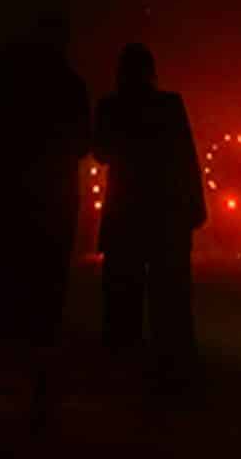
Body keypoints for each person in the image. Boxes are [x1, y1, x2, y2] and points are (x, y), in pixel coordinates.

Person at [92, 43, 206, 387]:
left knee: (124, 297)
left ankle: (125, 366)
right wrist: (194, 207)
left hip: (128, 215)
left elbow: (100, 151)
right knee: (168, 297)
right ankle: (172, 368)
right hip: (164, 216)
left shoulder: (112, 107)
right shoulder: (168, 106)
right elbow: (186, 157)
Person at [0, 18, 91, 348]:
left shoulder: (14, 85)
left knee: (17, 267)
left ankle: (10, 341)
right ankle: (42, 340)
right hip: (57, 191)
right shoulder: (71, 86)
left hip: (18, 191)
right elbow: (84, 142)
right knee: (51, 272)